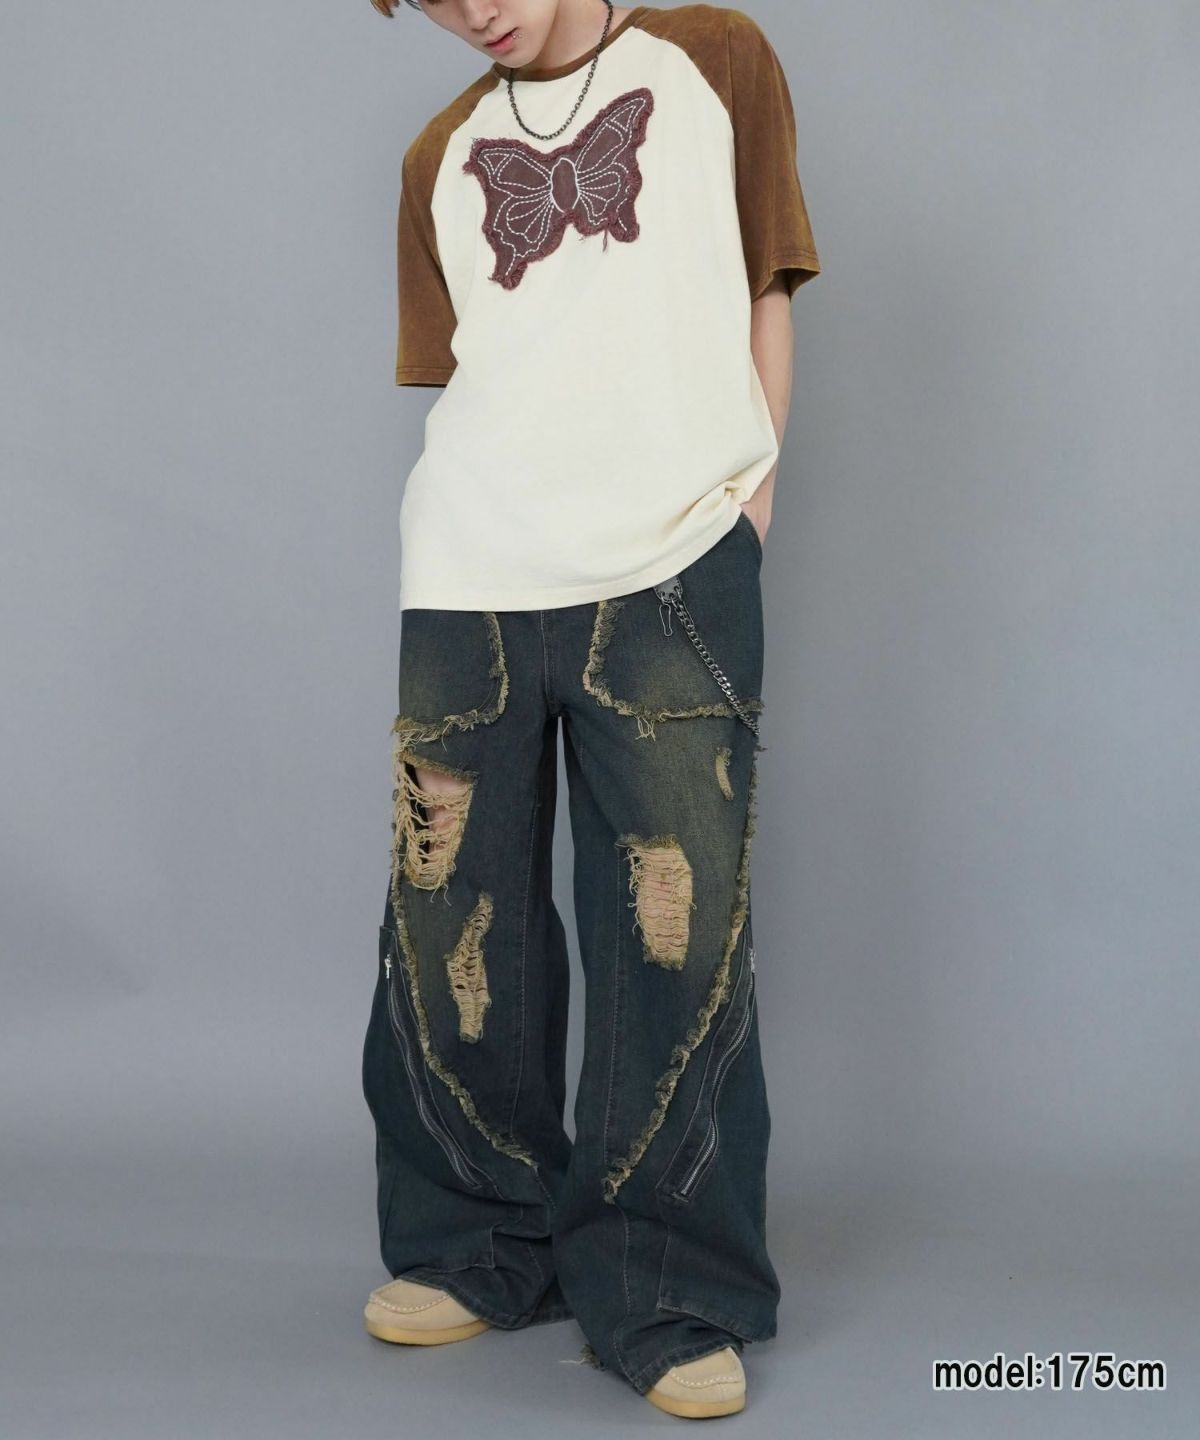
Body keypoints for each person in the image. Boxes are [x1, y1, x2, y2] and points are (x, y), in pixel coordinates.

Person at [359, 0, 821, 1419]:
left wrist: (746, 508)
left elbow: (767, 288)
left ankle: (669, 1287)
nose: (467, 11)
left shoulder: (716, 61)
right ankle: (477, 1241)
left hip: (673, 574)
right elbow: (491, 381)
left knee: (675, 933)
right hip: (465, 584)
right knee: (448, 917)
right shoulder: (439, 156)